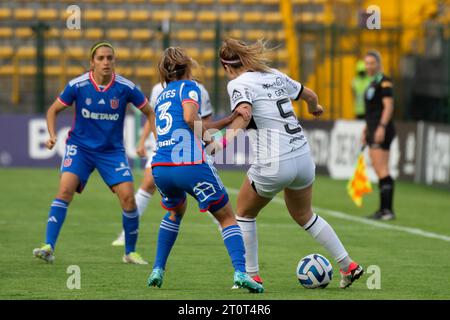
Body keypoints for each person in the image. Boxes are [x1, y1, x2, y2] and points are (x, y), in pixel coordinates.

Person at [217, 38, 364, 289]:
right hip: (303, 158)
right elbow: (310, 95)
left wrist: (219, 143)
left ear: (227, 67)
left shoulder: (238, 83)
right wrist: (315, 107)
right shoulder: (274, 74)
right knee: (305, 215)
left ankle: (251, 276)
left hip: (275, 162)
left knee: (243, 213)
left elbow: (244, 114)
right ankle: (347, 264)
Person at [146, 47, 263, 293]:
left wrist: (221, 127)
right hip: (189, 164)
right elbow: (190, 119)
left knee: (175, 213)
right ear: (187, 66)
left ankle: (157, 269)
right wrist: (227, 122)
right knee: (228, 217)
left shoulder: (163, 94)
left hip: (161, 167)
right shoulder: (190, 86)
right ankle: (241, 272)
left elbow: (191, 125)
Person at [32, 41, 156, 265]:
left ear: (114, 61)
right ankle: (48, 246)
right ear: (92, 62)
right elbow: (53, 110)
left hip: (111, 151)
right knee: (65, 190)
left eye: (110, 58)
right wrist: (51, 135)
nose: (106, 62)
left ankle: (130, 252)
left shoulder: (125, 87)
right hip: (81, 148)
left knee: (129, 199)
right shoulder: (78, 85)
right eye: (101, 58)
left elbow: (150, 112)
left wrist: (158, 139)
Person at [111, 80, 230, 245]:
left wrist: (212, 135)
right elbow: (152, 116)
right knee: (148, 185)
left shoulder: (198, 89)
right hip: (165, 146)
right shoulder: (158, 89)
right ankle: (127, 233)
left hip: (189, 149)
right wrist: (143, 140)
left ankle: (225, 226)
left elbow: (204, 121)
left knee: (204, 195)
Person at [362, 50, 396, 221]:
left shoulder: (384, 82)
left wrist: (381, 127)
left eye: (371, 63)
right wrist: (365, 130)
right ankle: (384, 209)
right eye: (366, 63)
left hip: (381, 129)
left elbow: (388, 106)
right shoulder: (373, 83)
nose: (368, 66)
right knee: (379, 168)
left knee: (382, 169)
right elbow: (372, 111)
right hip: (373, 128)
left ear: (378, 64)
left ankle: (387, 210)